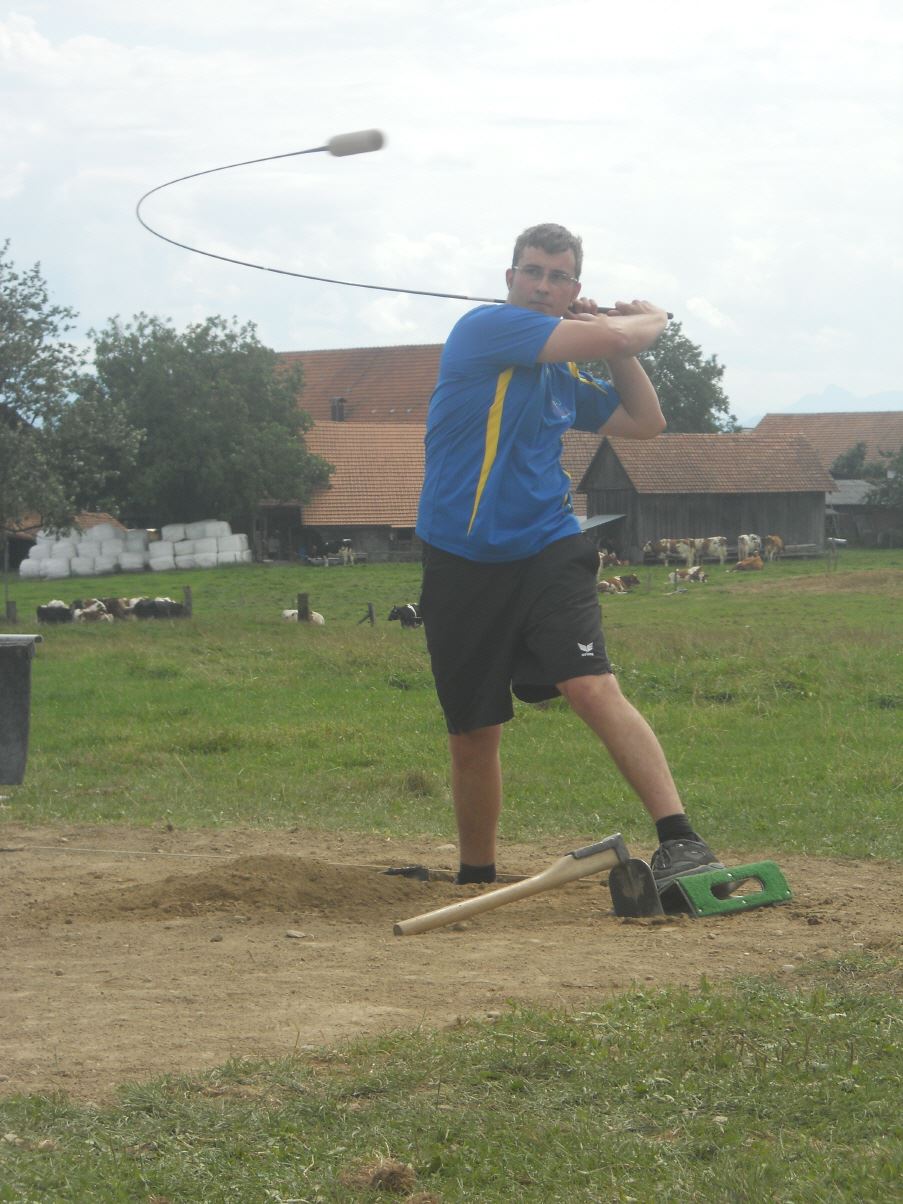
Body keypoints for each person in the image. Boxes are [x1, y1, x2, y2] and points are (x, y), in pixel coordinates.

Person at [415, 223, 722, 890]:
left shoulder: (560, 373)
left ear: (573, 288)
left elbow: (646, 422)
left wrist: (617, 345)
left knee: (591, 685)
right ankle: (477, 875)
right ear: (509, 279)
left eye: (557, 277)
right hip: (460, 555)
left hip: (548, 546)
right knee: (473, 730)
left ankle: (682, 840)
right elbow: (620, 336)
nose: (542, 285)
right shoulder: (486, 329)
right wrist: (652, 320)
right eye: (531, 271)